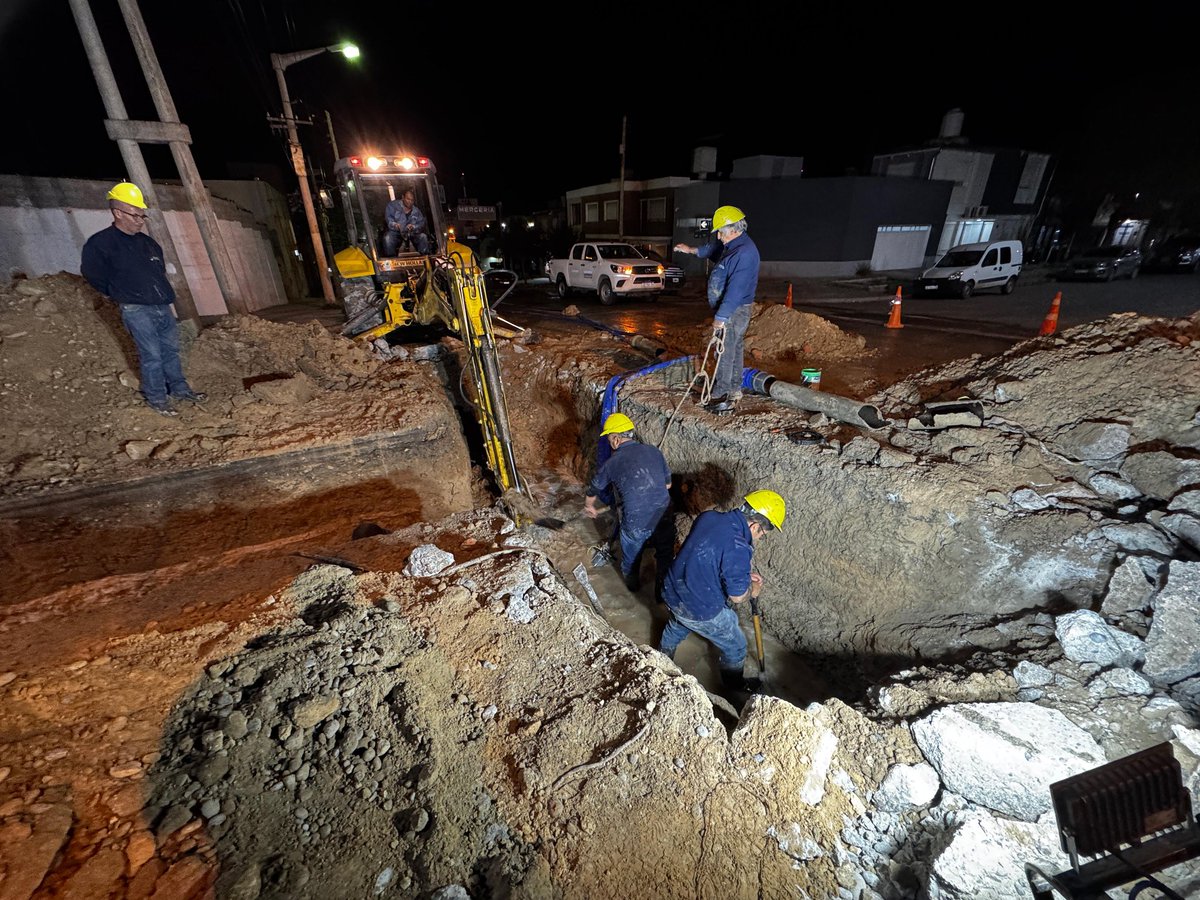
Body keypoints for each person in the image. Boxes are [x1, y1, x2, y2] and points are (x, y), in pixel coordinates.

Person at [81, 182, 205, 417]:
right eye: (135, 215)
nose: (140, 220)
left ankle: (179, 390)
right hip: (136, 309)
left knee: (171, 351)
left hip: (162, 306)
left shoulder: (147, 243)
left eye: (142, 215)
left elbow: (158, 272)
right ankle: (157, 398)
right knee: (152, 355)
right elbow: (93, 274)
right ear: (118, 212)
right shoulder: (101, 244)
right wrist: (118, 292)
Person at [657, 489, 786, 697]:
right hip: (700, 608)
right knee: (736, 646)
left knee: (677, 625)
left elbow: (709, 556)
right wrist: (752, 590)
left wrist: (741, 575)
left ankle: (660, 658)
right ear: (754, 525)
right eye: (762, 534)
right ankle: (733, 688)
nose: (760, 538)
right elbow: (737, 596)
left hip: (672, 591)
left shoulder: (709, 517)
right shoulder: (739, 547)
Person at [583, 412, 674, 598]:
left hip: (636, 522)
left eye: (609, 439)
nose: (610, 443)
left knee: (631, 560)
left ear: (616, 439)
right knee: (665, 557)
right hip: (664, 515)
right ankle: (660, 596)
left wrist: (589, 507)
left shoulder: (612, 463)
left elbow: (594, 488)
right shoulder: (653, 451)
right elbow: (667, 485)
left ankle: (633, 591)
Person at [697, 205, 760, 416]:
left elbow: (735, 290)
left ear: (733, 229)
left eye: (721, 232)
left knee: (724, 350)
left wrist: (721, 317)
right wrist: (693, 251)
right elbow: (714, 251)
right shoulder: (733, 245)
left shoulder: (744, 253)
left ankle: (721, 393)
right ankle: (734, 388)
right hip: (735, 307)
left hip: (735, 309)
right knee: (733, 347)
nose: (719, 237)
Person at [383, 188, 430, 256]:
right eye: (408, 199)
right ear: (403, 197)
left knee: (423, 237)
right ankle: (391, 259)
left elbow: (421, 224)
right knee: (388, 238)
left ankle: (425, 258)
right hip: (396, 233)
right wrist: (395, 225)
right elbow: (389, 219)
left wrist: (413, 227)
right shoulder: (392, 206)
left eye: (412, 200)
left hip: (412, 234)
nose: (410, 202)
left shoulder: (416, 211)